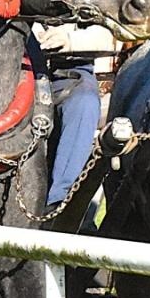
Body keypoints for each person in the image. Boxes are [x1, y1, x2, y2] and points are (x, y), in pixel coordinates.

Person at [33, 21, 115, 209]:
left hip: (71, 70)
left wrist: (70, 40)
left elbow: (107, 35)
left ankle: (58, 202)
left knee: (85, 102)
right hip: (19, 64)